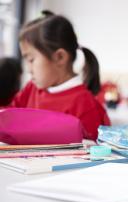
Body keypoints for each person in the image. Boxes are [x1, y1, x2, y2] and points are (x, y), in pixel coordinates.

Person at [11, 11, 110, 140]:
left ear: (60, 57)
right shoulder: (31, 89)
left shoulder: (85, 105)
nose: (28, 69)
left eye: (31, 60)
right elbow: (9, 118)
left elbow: (91, 153)